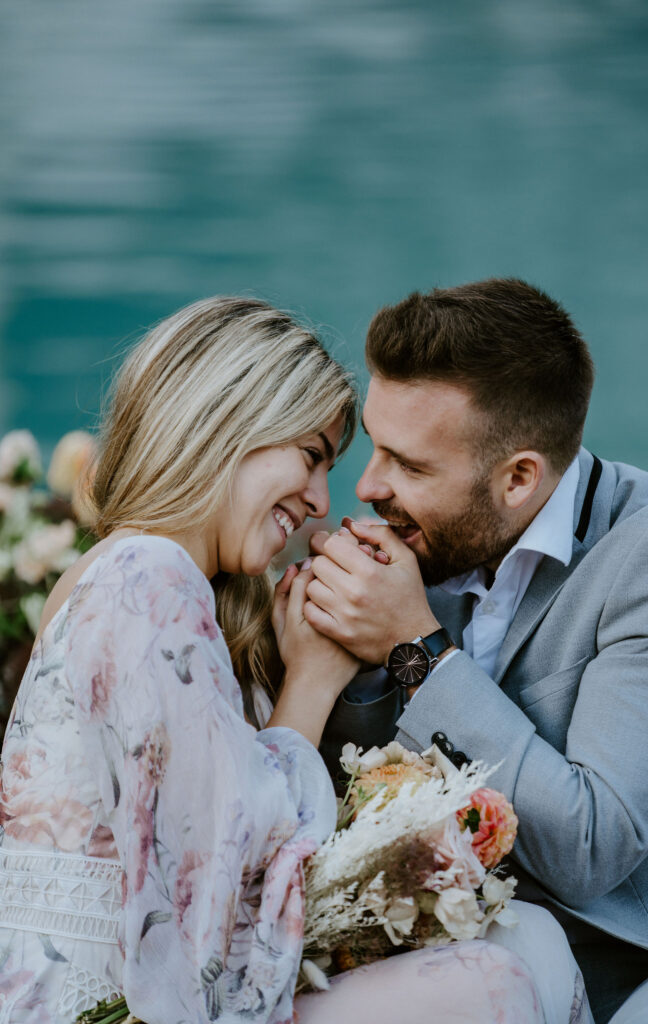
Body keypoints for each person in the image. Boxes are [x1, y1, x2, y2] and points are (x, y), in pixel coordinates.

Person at [0, 296, 567, 1024]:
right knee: (492, 981)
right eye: (309, 456)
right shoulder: (148, 575)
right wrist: (313, 681)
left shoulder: (129, 576)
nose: (320, 498)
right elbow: (228, 856)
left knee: (535, 946)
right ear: (227, 425)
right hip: (96, 1005)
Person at [305, 279, 648, 1024]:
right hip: (425, 955)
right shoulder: (415, 543)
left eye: (408, 466)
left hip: (635, 972)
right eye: (375, 446)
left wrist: (415, 649)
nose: (368, 485)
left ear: (518, 478)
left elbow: (591, 843)